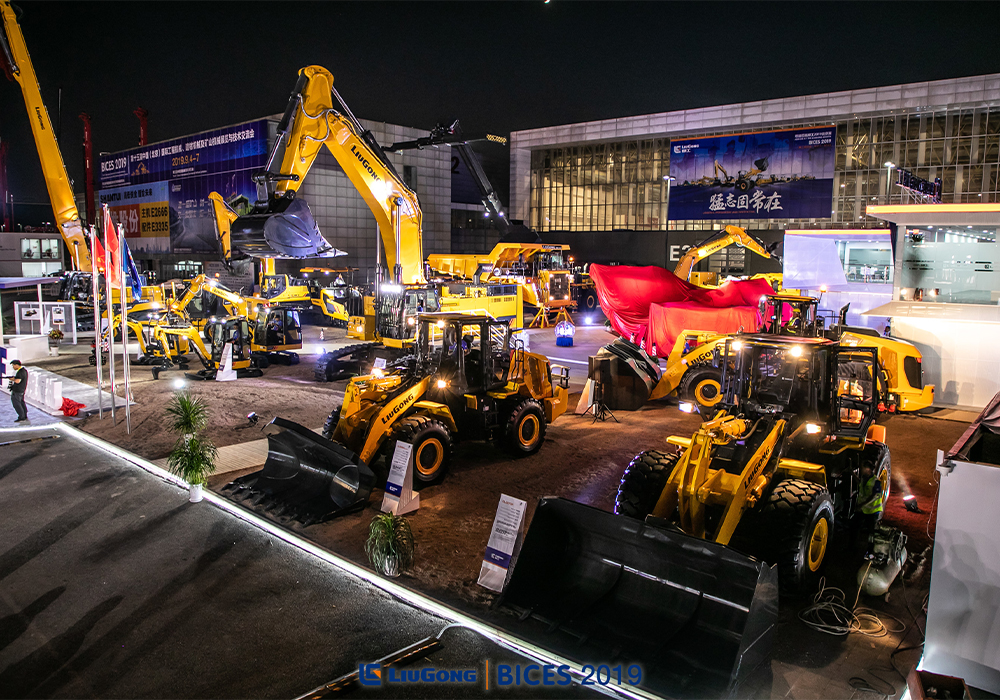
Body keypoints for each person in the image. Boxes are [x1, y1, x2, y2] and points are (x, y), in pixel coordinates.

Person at [854, 462, 884, 554]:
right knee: (855, 528)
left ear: (868, 469)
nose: (861, 469)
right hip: (863, 510)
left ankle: (870, 551)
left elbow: (874, 497)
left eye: (863, 467)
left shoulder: (876, 481)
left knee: (871, 532)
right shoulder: (864, 479)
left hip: (872, 511)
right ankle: (853, 547)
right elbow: (860, 483)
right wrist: (852, 474)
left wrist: (862, 505)